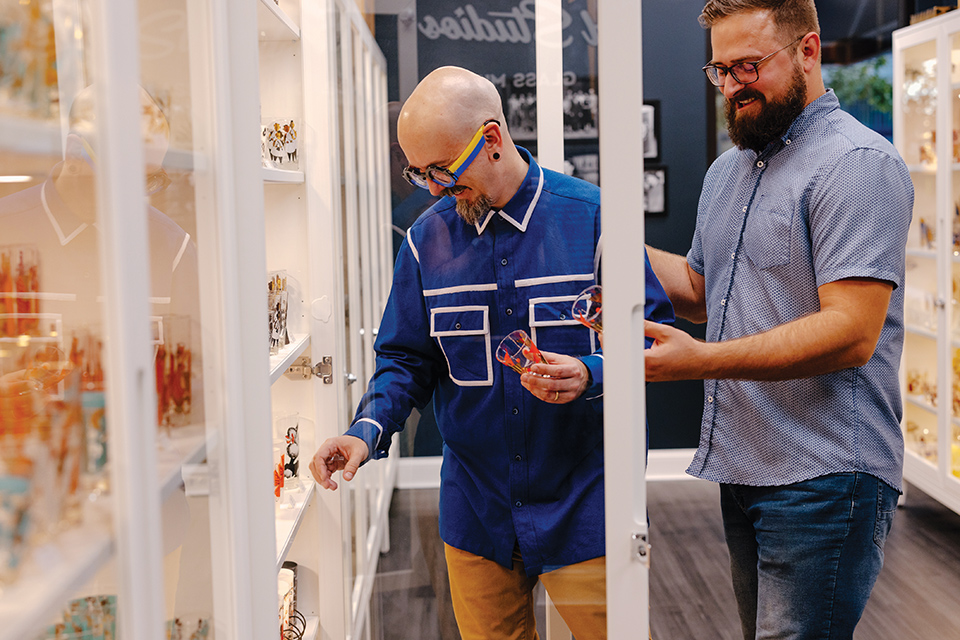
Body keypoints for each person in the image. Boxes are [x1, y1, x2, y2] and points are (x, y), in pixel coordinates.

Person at [310, 65, 674, 639]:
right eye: (417, 173)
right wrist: (366, 430)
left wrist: (591, 371)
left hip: (586, 507)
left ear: (494, 139)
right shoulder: (424, 242)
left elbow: (652, 334)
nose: (431, 189)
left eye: (441, 171)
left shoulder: (597, 218)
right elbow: (406, 359)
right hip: (477, 512)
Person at [643, 1, 914, 638]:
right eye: (720, 69)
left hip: (824, 474)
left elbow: (852, 332)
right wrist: (605, 235)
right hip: (746, 465)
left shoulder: (856, 164)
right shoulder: (727, 172)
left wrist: (699, 360)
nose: (734, 83)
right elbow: (705, 291)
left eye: (749, 65)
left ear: (809, 51)